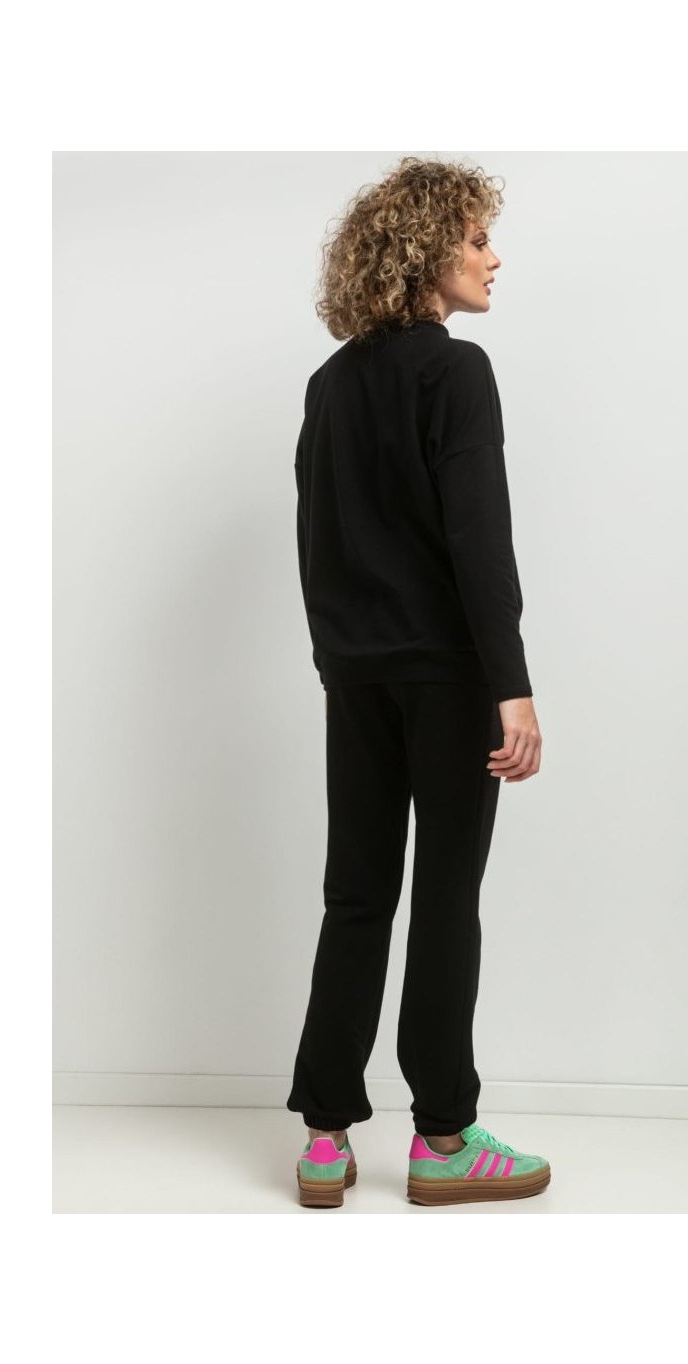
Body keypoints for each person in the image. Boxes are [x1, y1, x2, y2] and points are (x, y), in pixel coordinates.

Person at [286, 156, 551, 1208]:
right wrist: (511, 686)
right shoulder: (456, 371)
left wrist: (336, 663)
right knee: (444, 899)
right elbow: (479, 542)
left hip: (354, 679)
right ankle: (442, 1137)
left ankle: (323, 1138)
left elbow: (315, 538)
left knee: (354, 896)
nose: (493, 258)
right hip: (446, 679)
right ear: (428, 249)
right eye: (477, 239)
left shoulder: (330, 384)